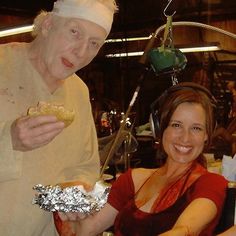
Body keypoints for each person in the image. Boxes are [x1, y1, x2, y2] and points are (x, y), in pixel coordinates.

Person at [0, 0, 118, 235]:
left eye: (94, 44)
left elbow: (85, 166)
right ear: (48, 24)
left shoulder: (79, 92)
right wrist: (9, 141)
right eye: (75, 32)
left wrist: (77, 190)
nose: (81, 52)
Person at [59, 82, 228, 235]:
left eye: (196, 128)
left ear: (206, 135)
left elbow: (184, 231)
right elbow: (86, 229)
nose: (185, 137)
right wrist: (65, 198)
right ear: (160, 129)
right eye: (176, 125)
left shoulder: (211, 183)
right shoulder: (132, 179)